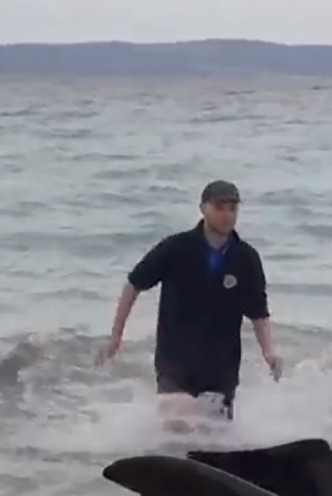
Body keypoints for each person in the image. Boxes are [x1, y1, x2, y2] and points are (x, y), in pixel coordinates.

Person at [98, 180, 283, 421]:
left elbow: (258, 311)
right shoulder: (176, 248)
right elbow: (134, 285)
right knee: (177, 425)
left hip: (221, 365)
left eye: (232, 208)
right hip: (174, 359)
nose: (227, 215)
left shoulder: (246, 257)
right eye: (220, 207)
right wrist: (116, 337)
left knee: (215, 440)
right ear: (203, 208)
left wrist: (269, 351)